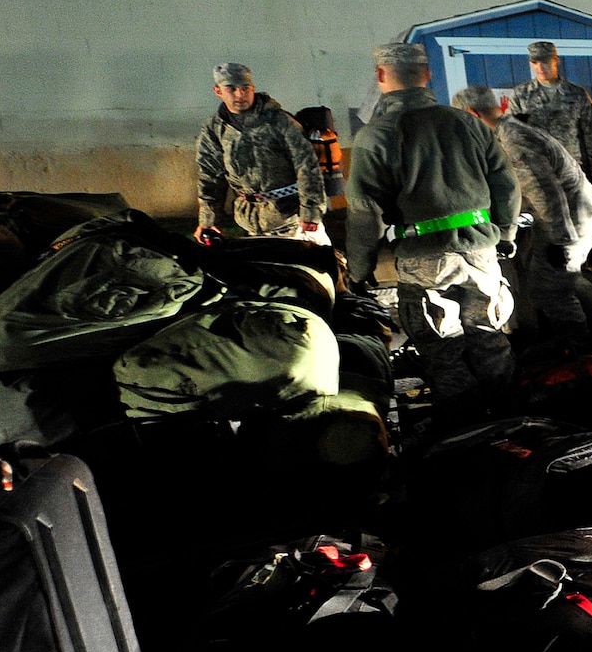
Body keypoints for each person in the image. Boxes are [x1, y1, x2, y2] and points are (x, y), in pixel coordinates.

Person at [345, 44, 520, 421]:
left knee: (444, 350)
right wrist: (504, 235)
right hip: (481, 252)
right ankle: (514, 425)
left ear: (380, 77)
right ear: (427, 75)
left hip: (426, 260)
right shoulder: (468, 123)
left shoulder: (375, 136)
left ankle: (465, 437)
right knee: (490, 339)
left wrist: (359, 269)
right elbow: (507, 186)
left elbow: (364, 213)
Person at [452, 84, 592, 344]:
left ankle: (580, 353)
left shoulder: (513, 139)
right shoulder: (508, 130)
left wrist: (560, 241)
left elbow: (546, 193)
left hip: (571, 220)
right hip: (570, 216)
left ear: (472, 115)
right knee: (550, 285)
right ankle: (570, 348)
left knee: (551, 290)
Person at [194, 62, 328, 245]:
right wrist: (208, 221)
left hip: (293, 220)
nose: (240, 94)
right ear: (218, 91)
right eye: (231, 89)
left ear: (253, 88)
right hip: (251, 222)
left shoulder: (279, 121)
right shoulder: (214, 129)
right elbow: (210, 176)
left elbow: (307, 165)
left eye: (245, 88)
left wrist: (311, 212)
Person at [508, 41, 592, 177]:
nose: (540, 67)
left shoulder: (577, 94)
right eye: (535, 62)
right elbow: (512, 135)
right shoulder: (521, 95)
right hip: (537, 172)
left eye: (545, 61)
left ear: (556, 60)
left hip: (572, 169)